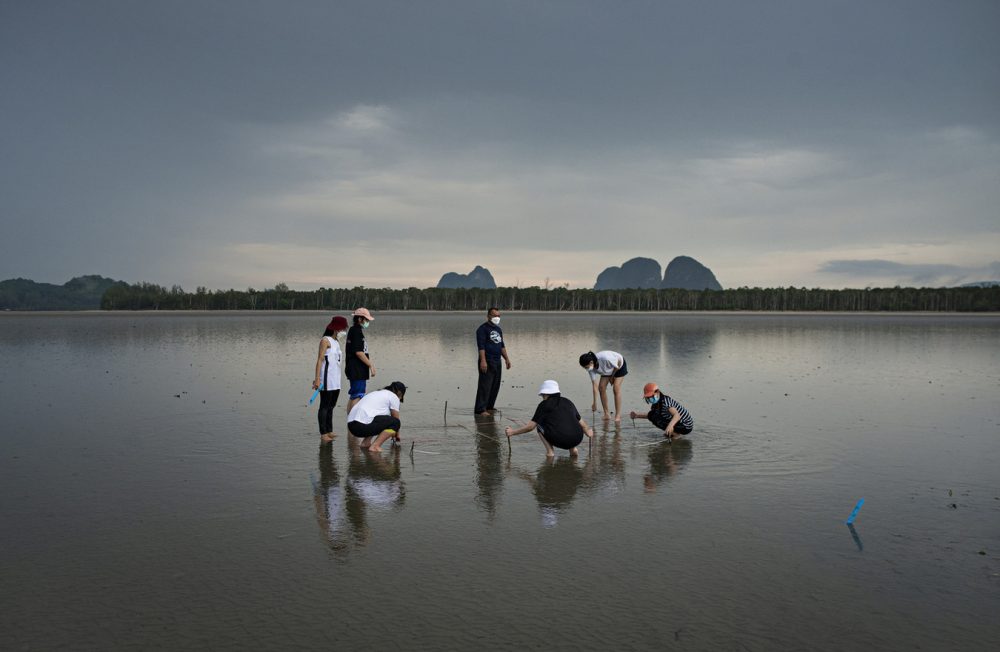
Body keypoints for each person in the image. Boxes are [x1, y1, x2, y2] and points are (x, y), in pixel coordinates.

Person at [505, 380, 593, 457]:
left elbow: (530, 427)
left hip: (560, 439)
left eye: (543, 395)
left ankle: (550, 452)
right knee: (567, 422)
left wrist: (512, 432)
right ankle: (573, 450)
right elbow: (583, 424)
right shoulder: (568, 401)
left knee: (539, 426)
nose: (543, 397)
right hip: (577, 438)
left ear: (546, 394)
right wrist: (588, 433)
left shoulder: (543, 405)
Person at [312, 315, 349, 442]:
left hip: (336, 380)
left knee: (332, 406)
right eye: (342, 329)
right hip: (326, 379)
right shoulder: (325, 340)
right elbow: (320, 360)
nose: (344, 332)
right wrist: (317, 378)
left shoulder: (336, 342)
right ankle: (323, 433)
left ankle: (329, 430)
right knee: (324, 406)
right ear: (336, 329)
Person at [347, 381, 406, 453]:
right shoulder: (393, 397)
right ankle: (375, 446)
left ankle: (365, 443)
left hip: (351, 426)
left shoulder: (377, 393)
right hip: (361, 426)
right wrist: (397, 435)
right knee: (395, 423)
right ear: (400, 393)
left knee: (378, 419)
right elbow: (396, 418)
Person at [475, 307, 511, 416]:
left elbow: (502, 346)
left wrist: (507, 359)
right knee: (485, 386)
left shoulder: (498, 329)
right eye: (495, 315)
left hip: (497, 361)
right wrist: (483, 361)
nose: (497, 318)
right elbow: (481, 347)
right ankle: (480, 409)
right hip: (487, 360)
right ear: (488, 316)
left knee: (495, 385)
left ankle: (489, 407)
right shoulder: (482, 329)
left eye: (498, 316)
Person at [630, 382, 694, 442]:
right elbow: (650, 415)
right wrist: (636, 415)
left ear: (658, 392)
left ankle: (675, 434)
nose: (650, 399)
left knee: (656, 418)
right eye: (648, 397)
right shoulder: (657, 404)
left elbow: (677, 415)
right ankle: (673, 433)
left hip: (686, 425)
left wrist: (670, 426)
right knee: (653, 415)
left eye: (651, 396)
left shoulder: (665, 402)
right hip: (678, 423)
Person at [578, 350, 628, 423]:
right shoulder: (591, 369)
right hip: (607, 369)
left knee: (616, 388)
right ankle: (607, 414)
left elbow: (619, 362)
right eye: (584, 368)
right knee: (601, 388)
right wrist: (594, 403)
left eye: (586, 367)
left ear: (591, 362)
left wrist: (612, 376)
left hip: (619, 366)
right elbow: (594, 385)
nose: (586, 369)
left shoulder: (605, 358)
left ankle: (617, 415)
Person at [345, 307, 376, 412]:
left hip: (355, 369)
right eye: (366, 320)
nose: (367, 322)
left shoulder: (354, 330)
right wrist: (370, 365)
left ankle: (350, 422)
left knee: (354, 395)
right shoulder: (356, 331)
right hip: (356, 369)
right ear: (359, 319)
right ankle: (354, 422)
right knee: (357, 395)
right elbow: (359, 352)